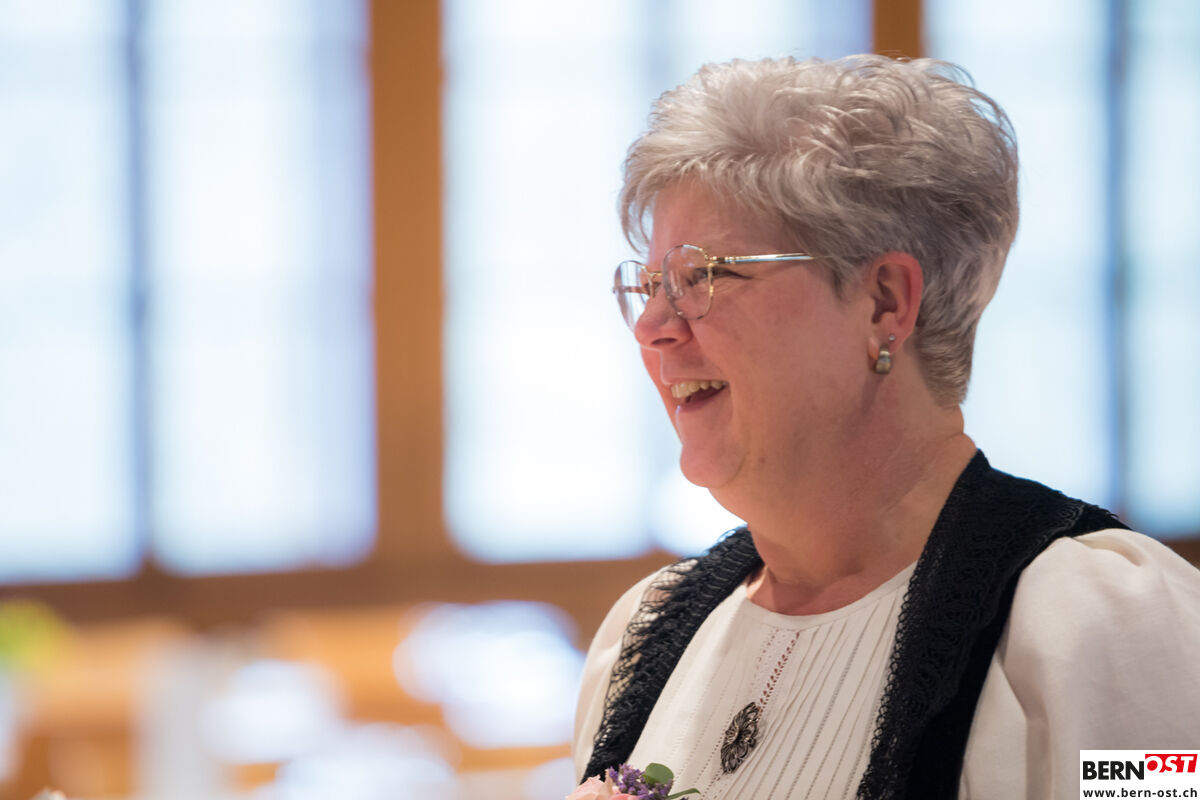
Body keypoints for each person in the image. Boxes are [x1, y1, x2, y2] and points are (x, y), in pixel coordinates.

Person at [571, 55, 1200, 800]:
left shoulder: (1107, 626)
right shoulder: (644, 635)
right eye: (649, 285)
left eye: (702, 275)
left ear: (885, 302)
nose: (652, 326)